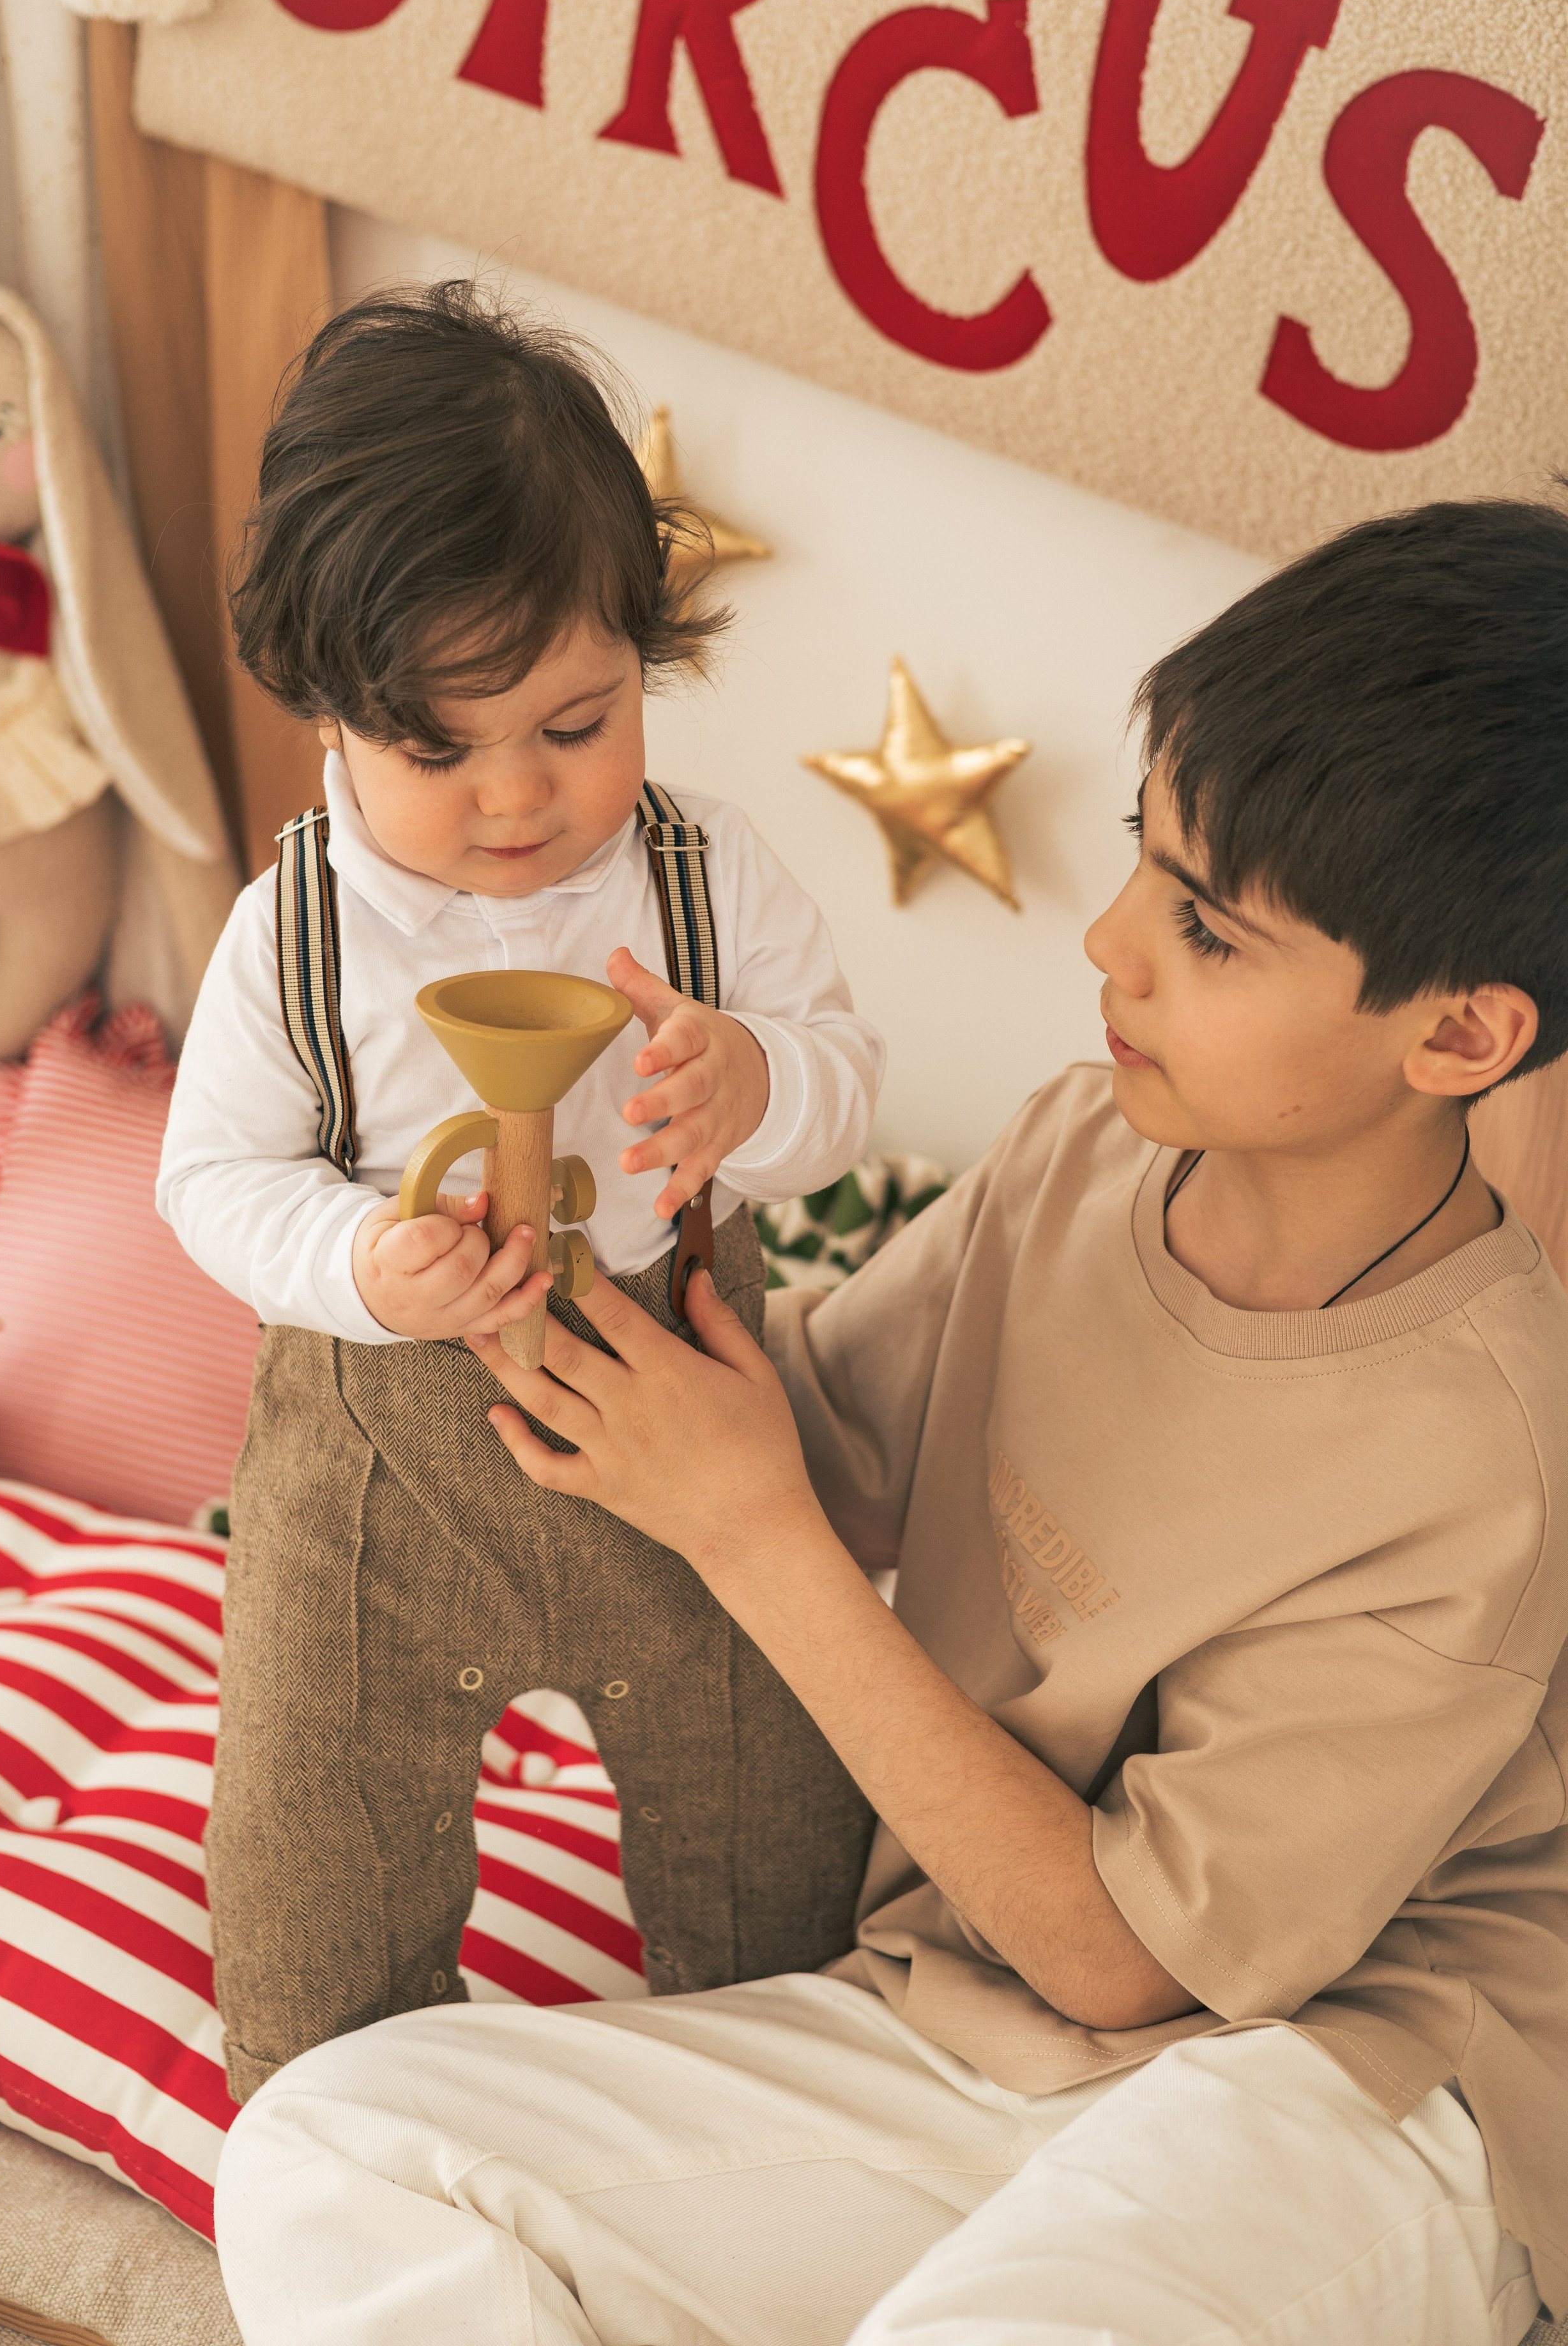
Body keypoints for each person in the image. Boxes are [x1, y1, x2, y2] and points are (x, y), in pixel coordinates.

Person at [211, 496, 1568, 2346]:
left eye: (1210, 929)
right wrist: (501, 1261)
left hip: (1349, 2088)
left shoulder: (1485, 1449)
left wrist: (754, 1533)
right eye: (1138, 862)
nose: (1108, 943)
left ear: (1464, 1039)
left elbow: (1129, 1958)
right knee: (330, 2149)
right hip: (954, 2021)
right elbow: (815, 1434)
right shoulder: (1084, 1148)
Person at [158, 282, 883, 2106]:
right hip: (376, 1470)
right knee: (314, 1824)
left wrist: (758, 1084)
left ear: (647, 654)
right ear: (330, 716)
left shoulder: (706, 876)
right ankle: (332, 2097)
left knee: (765, 1799)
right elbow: (212, 1180)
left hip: (672, 1430)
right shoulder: (297, 928)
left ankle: (766, 2080)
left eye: (578, 722)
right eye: (440, 750)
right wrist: (357, 1262)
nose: (515, 801)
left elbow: (843, 1090)